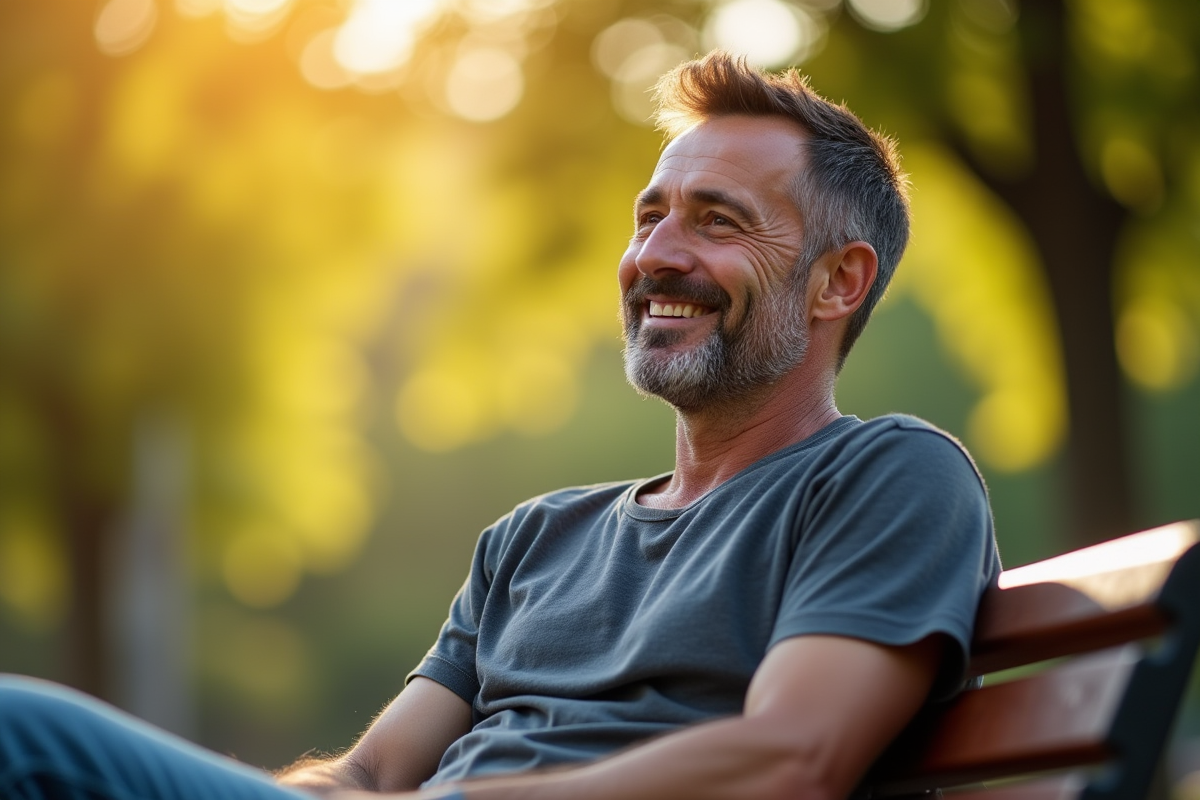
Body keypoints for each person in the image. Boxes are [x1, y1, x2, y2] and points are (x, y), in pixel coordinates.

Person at [0, 51, 1000, 800]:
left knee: (22, 738)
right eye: (649, 216)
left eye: (718, 220)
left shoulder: (887, 478)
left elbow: (792, 758)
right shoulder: (537, 538)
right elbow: (371, 774)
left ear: (838, 282)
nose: (655, 254)